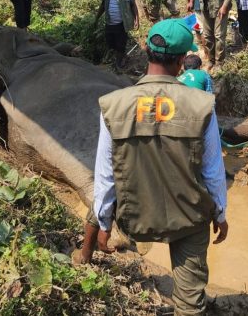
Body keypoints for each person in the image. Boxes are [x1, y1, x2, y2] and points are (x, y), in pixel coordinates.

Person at [92, 19, 228, 316]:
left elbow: (104, 173)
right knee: (190, 300)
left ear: (146, 51)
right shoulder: (202, 104)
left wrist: (104, 223)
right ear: (182, 61)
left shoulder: (114, 105)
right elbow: (212, 170)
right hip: (189, 216)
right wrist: (220, 213)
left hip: (134, 216)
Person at [93, 0, 139, 68]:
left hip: (122, 24)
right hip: (109, 23)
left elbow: (133, 5)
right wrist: (96, 18)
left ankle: (118, 64)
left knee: (120, 45)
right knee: (110, 44)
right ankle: (119, 58)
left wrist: (136, 20)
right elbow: (103, 5)